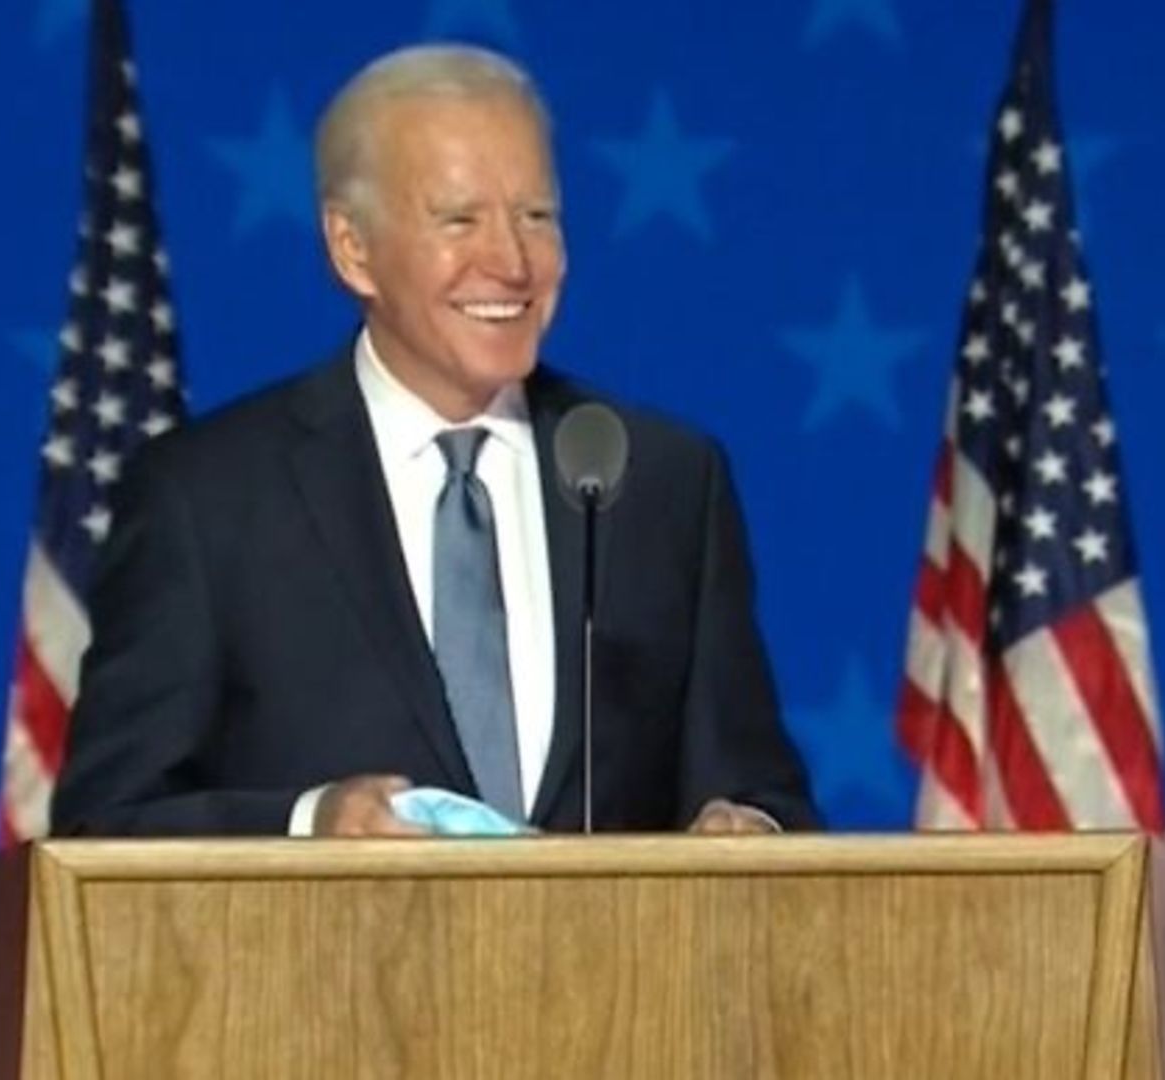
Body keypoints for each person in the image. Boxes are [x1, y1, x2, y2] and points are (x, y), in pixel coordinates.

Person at [50, 44, 816, 837]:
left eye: (536, 217)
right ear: (354, 249)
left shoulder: (662, 480)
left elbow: (759, 787)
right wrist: (312, 822)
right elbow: (104, 825)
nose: (512, 262)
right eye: (460, 220)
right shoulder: (208, 498)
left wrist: (751, 831)